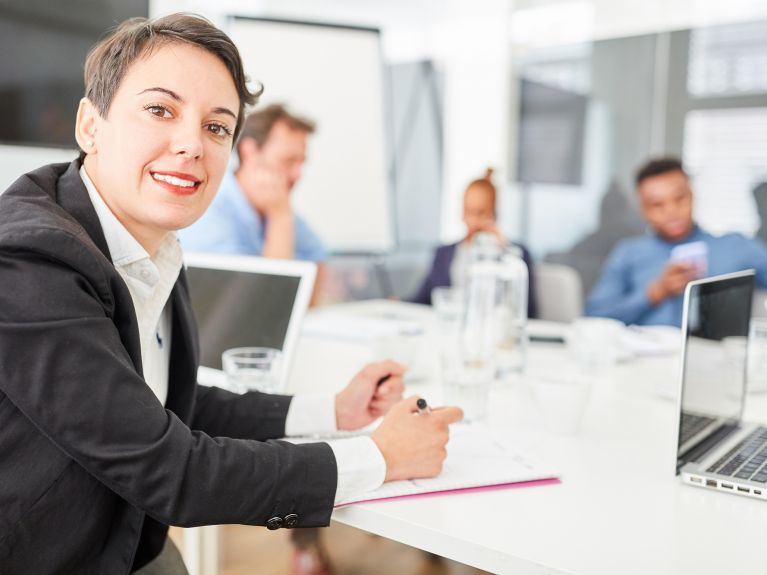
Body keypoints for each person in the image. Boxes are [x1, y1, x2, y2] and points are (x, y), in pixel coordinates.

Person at [0, 14, 462, 574]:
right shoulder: (30, 260)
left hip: (124, 541)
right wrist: (378, 457)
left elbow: (168, 402)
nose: (192, 144)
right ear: (90, 124)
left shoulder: (151, 239)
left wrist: (330, 411)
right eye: (160, 110)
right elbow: (171, 469)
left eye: (217, 127)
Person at [586, 157, 767, 326]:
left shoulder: (736, 247)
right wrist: (654, 293)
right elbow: (593, 316)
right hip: (644, 358)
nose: (671, 211)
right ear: (643, 210)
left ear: (692, 196)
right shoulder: (628, 253)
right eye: (657, 204)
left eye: (679, 198)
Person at [178, 103, 328, 303]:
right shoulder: (210, 209)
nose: (298, 174)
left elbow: (318, 267)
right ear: (250, 152)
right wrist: (280, 218)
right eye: (289, 161)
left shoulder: (279, 205)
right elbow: (264, 304)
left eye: (302, 162)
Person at [412, 168, 537, 319]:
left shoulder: (515, 256)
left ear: (494, 213)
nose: (472, 221)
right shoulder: (443, 253)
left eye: (480, 213)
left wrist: (505, 250)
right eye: (467, 211)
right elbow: (421, 300)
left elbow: (527, 310)